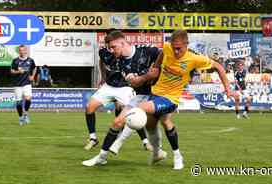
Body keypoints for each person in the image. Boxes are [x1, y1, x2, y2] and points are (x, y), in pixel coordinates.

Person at [82, 30, 233, 170]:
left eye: (179, 48)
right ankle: (103, 157)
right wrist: (155, 68)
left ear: (186, 45)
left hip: (170, 98)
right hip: (153, 93)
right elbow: (159, 58)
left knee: (139, 111)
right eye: (174, 48)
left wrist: (228, 89)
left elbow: (219, 66)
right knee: (150, 123)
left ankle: (118, 144)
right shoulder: (165, 49)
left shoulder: (194, 58)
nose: (175, 51)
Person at [82, 30, 161, 165]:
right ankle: (101, 155)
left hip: (160, 93)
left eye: (114, 47)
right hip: (139, 93)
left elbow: (165, 53)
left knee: (155, 122)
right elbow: (135, 82)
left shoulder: (146, 51)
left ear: (123, 42)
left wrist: (158, 68)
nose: (111, 50)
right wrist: (148, 76)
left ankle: (153, 147)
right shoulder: (121, 62)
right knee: (119, 121)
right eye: (109, 47)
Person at [10, 45, 36, 125]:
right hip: (17, 84)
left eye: (23, 50)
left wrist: (32, 76)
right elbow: (11, 71)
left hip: (27, 83)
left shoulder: (30, 60)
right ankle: (21, 117)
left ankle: (26, 114)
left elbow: (35, 68)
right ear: (19, 51)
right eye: (20, 50)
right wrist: (18, 72)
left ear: (26, 51)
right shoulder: (15, 61)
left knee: (28, 99)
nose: (21, 52)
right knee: (19, 103)